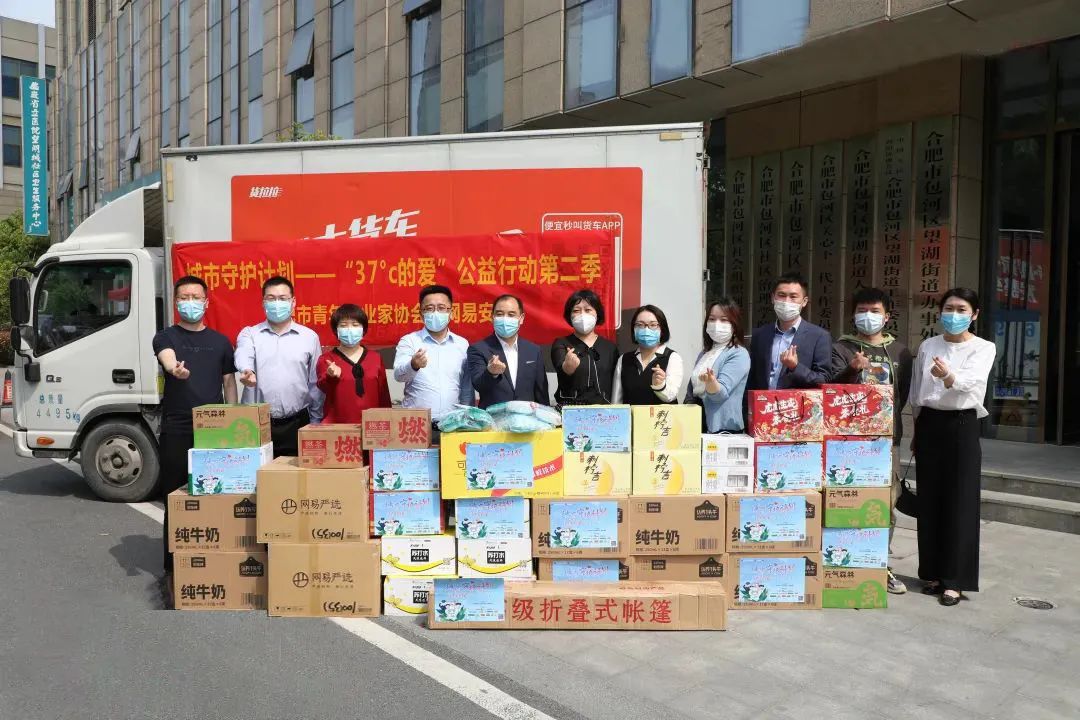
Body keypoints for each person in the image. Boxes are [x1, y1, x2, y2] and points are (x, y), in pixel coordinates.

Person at [910, 288, 995, 607]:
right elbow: (917, 391)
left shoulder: (983, 347)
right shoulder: (928, 345)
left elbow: (973, 384)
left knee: (960, 501)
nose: (954, 314)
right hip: (929, 423)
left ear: (974, 314)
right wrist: (916, 429)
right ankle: (932, 573)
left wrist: (949, 376)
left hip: (961, 424)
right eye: (949, 308)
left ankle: (955, 580)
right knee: (930, 499)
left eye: (961, 309)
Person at [152, 276, 237, 582]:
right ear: (176, 303)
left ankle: (213, 558)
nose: (190, 302)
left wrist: (232, 422)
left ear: (206, 302)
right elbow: (166, 357)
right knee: (175, 497)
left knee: (215, 495)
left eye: (196, 297)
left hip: (213, 431)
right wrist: (174, 368)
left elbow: (229, 383)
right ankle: (173, 566)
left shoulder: (220, 342)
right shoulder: (166, 337)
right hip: (177, 428)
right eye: (184, 297)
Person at [830, 287, 914, 595]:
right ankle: (842, 563)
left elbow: (902, 395)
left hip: (886, 441)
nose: (868, 316)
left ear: (887, 316)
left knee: (884, 504)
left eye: (875, 311)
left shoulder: (901, 352)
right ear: (853, 315)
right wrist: (851, 370)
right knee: (845, 501)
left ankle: (880, 564)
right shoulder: (841, 348)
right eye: (862, 310)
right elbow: (831, 389)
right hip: (846, 441)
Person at [234, 276, 323, 457]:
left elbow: (315, 384)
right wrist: (246, 370)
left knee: (297, 474)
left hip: (298, 422)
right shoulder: (250, 333)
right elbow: (243, 352)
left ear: (293, 302)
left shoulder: (309, 337)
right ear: (263, 303)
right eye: (271, 298)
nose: (277, 303)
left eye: (282, 298)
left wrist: (315, 422)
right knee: (257, 473)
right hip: (256, 423)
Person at [393, 284, 469, 429]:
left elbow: (466, 386)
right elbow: (398, 375)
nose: (435, 313)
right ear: (421, 314)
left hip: (452, 424)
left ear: (451, 313)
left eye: (441, 308)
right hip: (415, 425)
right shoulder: (409, 341)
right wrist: (413, 365)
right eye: (429, 308)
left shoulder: (462, 344)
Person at [748, 272, 833, 391]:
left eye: (793, 297)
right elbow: (751, 379)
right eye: (781, 295)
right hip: (762, 402)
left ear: (804, 301)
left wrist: (795, 367)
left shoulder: (819, 336)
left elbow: (824, 379)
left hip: (797, 402)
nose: (786, 301)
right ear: (773, 298)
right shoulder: (760, 335)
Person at [464, 295, 549, 408]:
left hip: (526, 417)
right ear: (492, 317)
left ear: (521, 318)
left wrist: (546, 414)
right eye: (499, 314)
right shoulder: (478, 349)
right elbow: (478, 385)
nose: (505, 319)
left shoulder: (533, 350)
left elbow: (541, 393)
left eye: (511, 314)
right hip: (493, 418)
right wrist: (491, 373)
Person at [316, 304, 391, 422]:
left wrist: (387, 421)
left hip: (372, 426)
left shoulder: (375, 358)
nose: (349, 329)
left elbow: (384, 396)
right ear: (336, 330)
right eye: (343, 325)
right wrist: (330, 376)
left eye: (355, 325)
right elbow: (322, 387)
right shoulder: (326, 359)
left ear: (363, 329)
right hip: (337, 427)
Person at [685, 298, 750, 432]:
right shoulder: (705, 352)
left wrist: (711, 382)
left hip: (722, 428)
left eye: (724, 320)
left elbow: (720, 395)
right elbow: (692, 389)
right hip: (696, 422)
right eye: (712, 319)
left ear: (734, 324)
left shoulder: (738, 353)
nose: (716, 324)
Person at [551, 289, 618, 406]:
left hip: (604, 411)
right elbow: (561, 369)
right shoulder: (561, 343)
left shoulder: (610, 348)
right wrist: (567, 367)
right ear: (570, 316)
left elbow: (616, 383)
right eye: (576, 311)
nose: (582, 315)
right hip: (571, 410)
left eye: (588, 310)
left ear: (597, 314)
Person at [613, 304, 683, 405]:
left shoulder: (673, 357)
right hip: (631, 415)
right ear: (633, 329)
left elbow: (670, 396)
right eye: (640, 325)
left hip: (661, 416)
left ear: (662, 329)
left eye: (653, 325)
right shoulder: (624, 359)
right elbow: (616, 401)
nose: (646, 330)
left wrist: (659, 385)